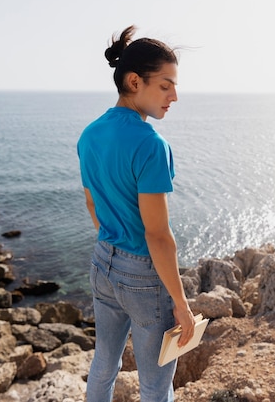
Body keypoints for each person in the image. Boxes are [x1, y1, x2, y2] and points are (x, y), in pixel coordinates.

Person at [77, 25, 195, 402]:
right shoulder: (150, 145)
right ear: (133, 81)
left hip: (102, 263)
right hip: (143, 275)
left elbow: (92, 203)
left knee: (104, 363)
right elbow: (158, 235)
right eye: (165, 85)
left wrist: (113, 244)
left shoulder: (89, 135)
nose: (174, 96)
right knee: (155, 385)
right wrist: (182, 304)